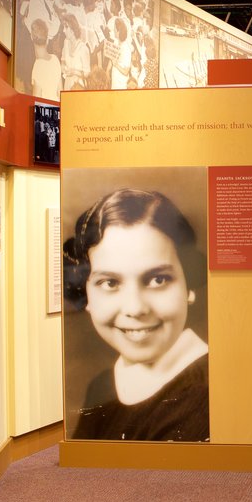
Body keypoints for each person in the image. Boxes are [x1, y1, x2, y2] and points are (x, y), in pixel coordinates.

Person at [63, 188, 209, 442]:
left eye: (157, 279)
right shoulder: (103, 386)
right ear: (85, 296)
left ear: (191, 285)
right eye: (110, 283)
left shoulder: (207, 397)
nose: (135, 308)